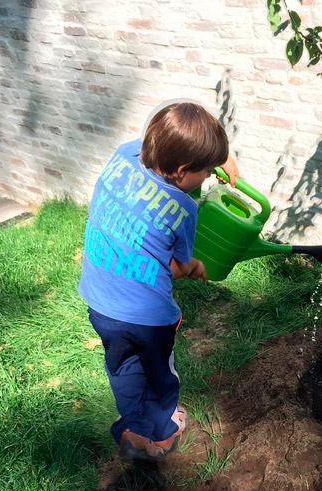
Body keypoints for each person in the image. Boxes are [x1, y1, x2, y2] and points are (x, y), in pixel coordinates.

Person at [78, 102, 238, 462]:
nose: (210, 176)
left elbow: (162, 133)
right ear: (182, 172)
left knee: (122, 368)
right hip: (149, 317)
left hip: (99, 302)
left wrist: (219, 157)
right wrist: (195, 264)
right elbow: (176, 266)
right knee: (160, 374)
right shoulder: (183, 206)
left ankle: (132, 429)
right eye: (208, 171)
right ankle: (164, 432)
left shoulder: (123, 155)